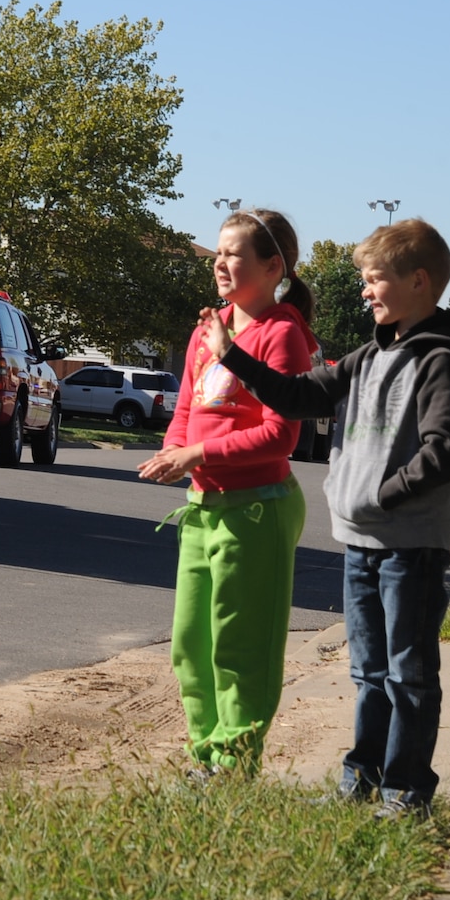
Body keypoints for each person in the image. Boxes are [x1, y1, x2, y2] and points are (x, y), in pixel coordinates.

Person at [201, 219, 450, 815]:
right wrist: (233, 357)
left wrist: (383, 494)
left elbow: (444, 450)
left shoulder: (438, 362)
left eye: (373, 279)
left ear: (417, 282)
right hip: (360, 543)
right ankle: (362, 777)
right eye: (363, 279)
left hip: (410, 546)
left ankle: (406, 788)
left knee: (407, 673)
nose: (364, 291)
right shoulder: (367, 356)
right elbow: (301, 396)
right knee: (368, 672)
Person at [137, 208, 315, 776]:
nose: (219, 261)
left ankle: (232, 766)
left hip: (258, 509)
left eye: (234, 253)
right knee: (191, 646)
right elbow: (187, 409)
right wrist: (174, 452)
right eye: (219, 251)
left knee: (240, 650)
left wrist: (199, 454)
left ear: (272, 268)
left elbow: (280, 435)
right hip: (202, 507)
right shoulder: (205, 331)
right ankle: (204, 758)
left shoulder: (283, 333)